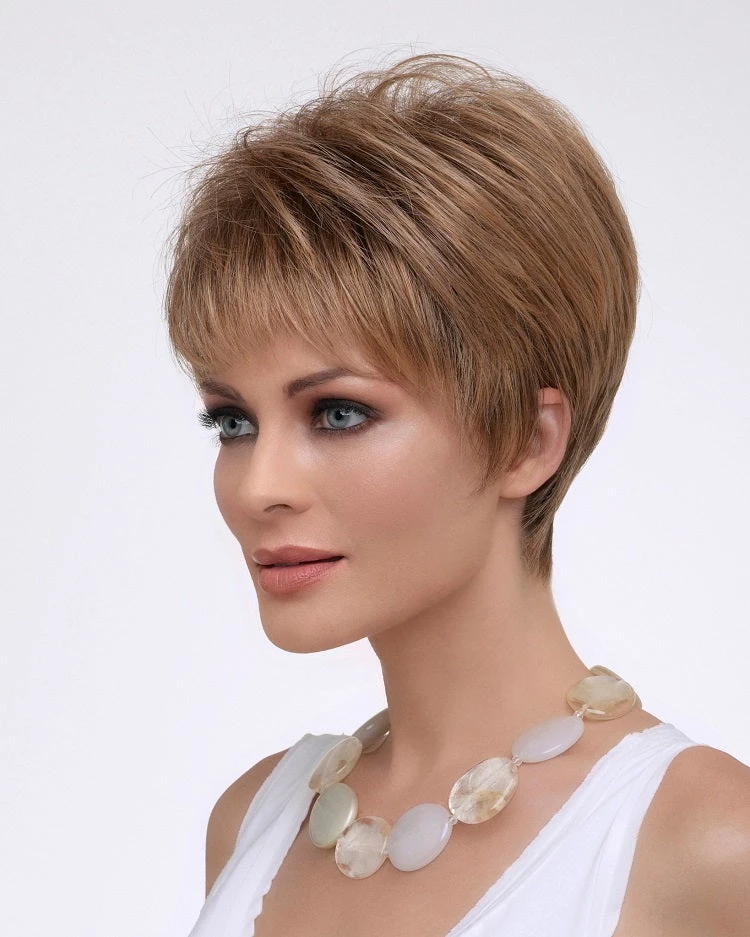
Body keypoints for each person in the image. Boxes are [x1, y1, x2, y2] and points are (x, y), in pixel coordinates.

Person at [162, 52, 750, 936]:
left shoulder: (705, 845)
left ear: (526, 440)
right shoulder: (253, 823)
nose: (258, 487)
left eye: (339, 412)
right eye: (233, 422)